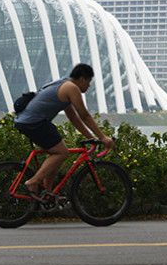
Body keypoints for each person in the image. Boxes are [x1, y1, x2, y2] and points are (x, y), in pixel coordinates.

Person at [14, 63, 114, 198]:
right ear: (82, 79)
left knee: (55, 155)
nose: (89, 86)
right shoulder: (72, 88)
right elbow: (84, 115)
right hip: (34, 123)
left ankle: (47, 193)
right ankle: (33, 181)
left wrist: (91, 138)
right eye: (89, 82)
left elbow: (74, 118)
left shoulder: (63, 85)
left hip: (27, 121)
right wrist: (103, 138)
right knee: (62, 153)